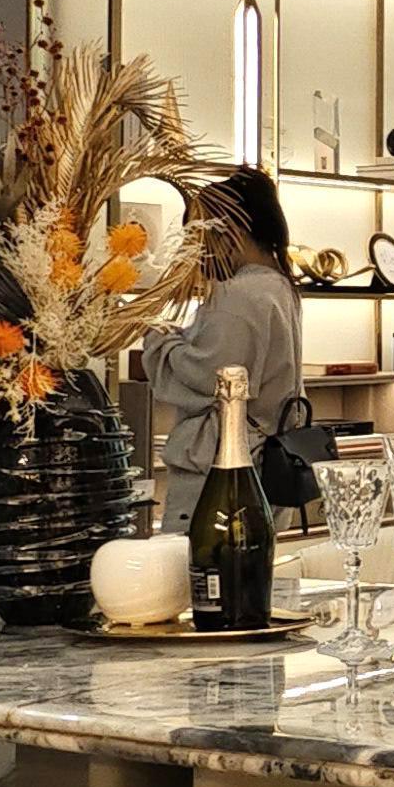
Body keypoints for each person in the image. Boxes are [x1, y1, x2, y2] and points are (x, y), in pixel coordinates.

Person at [142, 168, 304, 526]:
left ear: (230, 231)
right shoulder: (279, 288)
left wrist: (159, 338)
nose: (196, 253)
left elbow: (207, 377)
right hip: (267, 462)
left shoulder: (237, 295)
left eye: (200, 237)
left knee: (197, 556)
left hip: (222, 469)